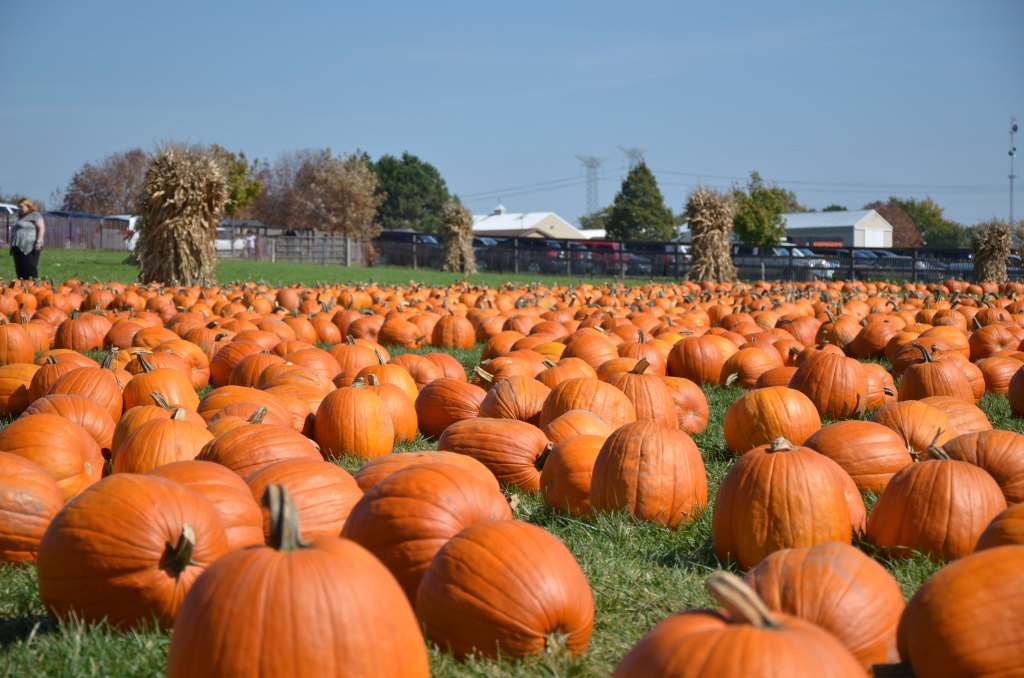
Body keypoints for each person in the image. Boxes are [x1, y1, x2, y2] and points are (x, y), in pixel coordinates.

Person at [9, 198, 45, 280]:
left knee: (30, 267)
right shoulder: (20, 218)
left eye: (21, 207)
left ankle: (33, 287)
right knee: (20, 269)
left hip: (30, 246)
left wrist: (39, 241)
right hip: (17, 247)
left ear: (28, 206)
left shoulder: (35, 215)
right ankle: (23, 287)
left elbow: (41, 228)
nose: (20, 209)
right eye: (19, 207)